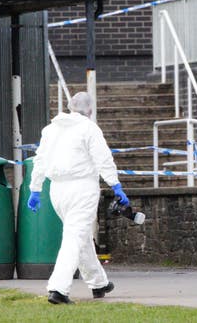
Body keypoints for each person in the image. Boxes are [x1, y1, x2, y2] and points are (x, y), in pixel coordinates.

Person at [26, 91, 129, 305]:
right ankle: (58, 289)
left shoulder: (51, 130)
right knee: (74, 238)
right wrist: (115, 185)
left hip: (56, 190)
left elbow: (40, 160)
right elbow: (103, 159)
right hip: (82, 188)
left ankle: (98, 282)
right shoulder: (89, 128)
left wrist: (35, 189)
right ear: (90, 110)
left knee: (79, 236)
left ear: (71, 107)